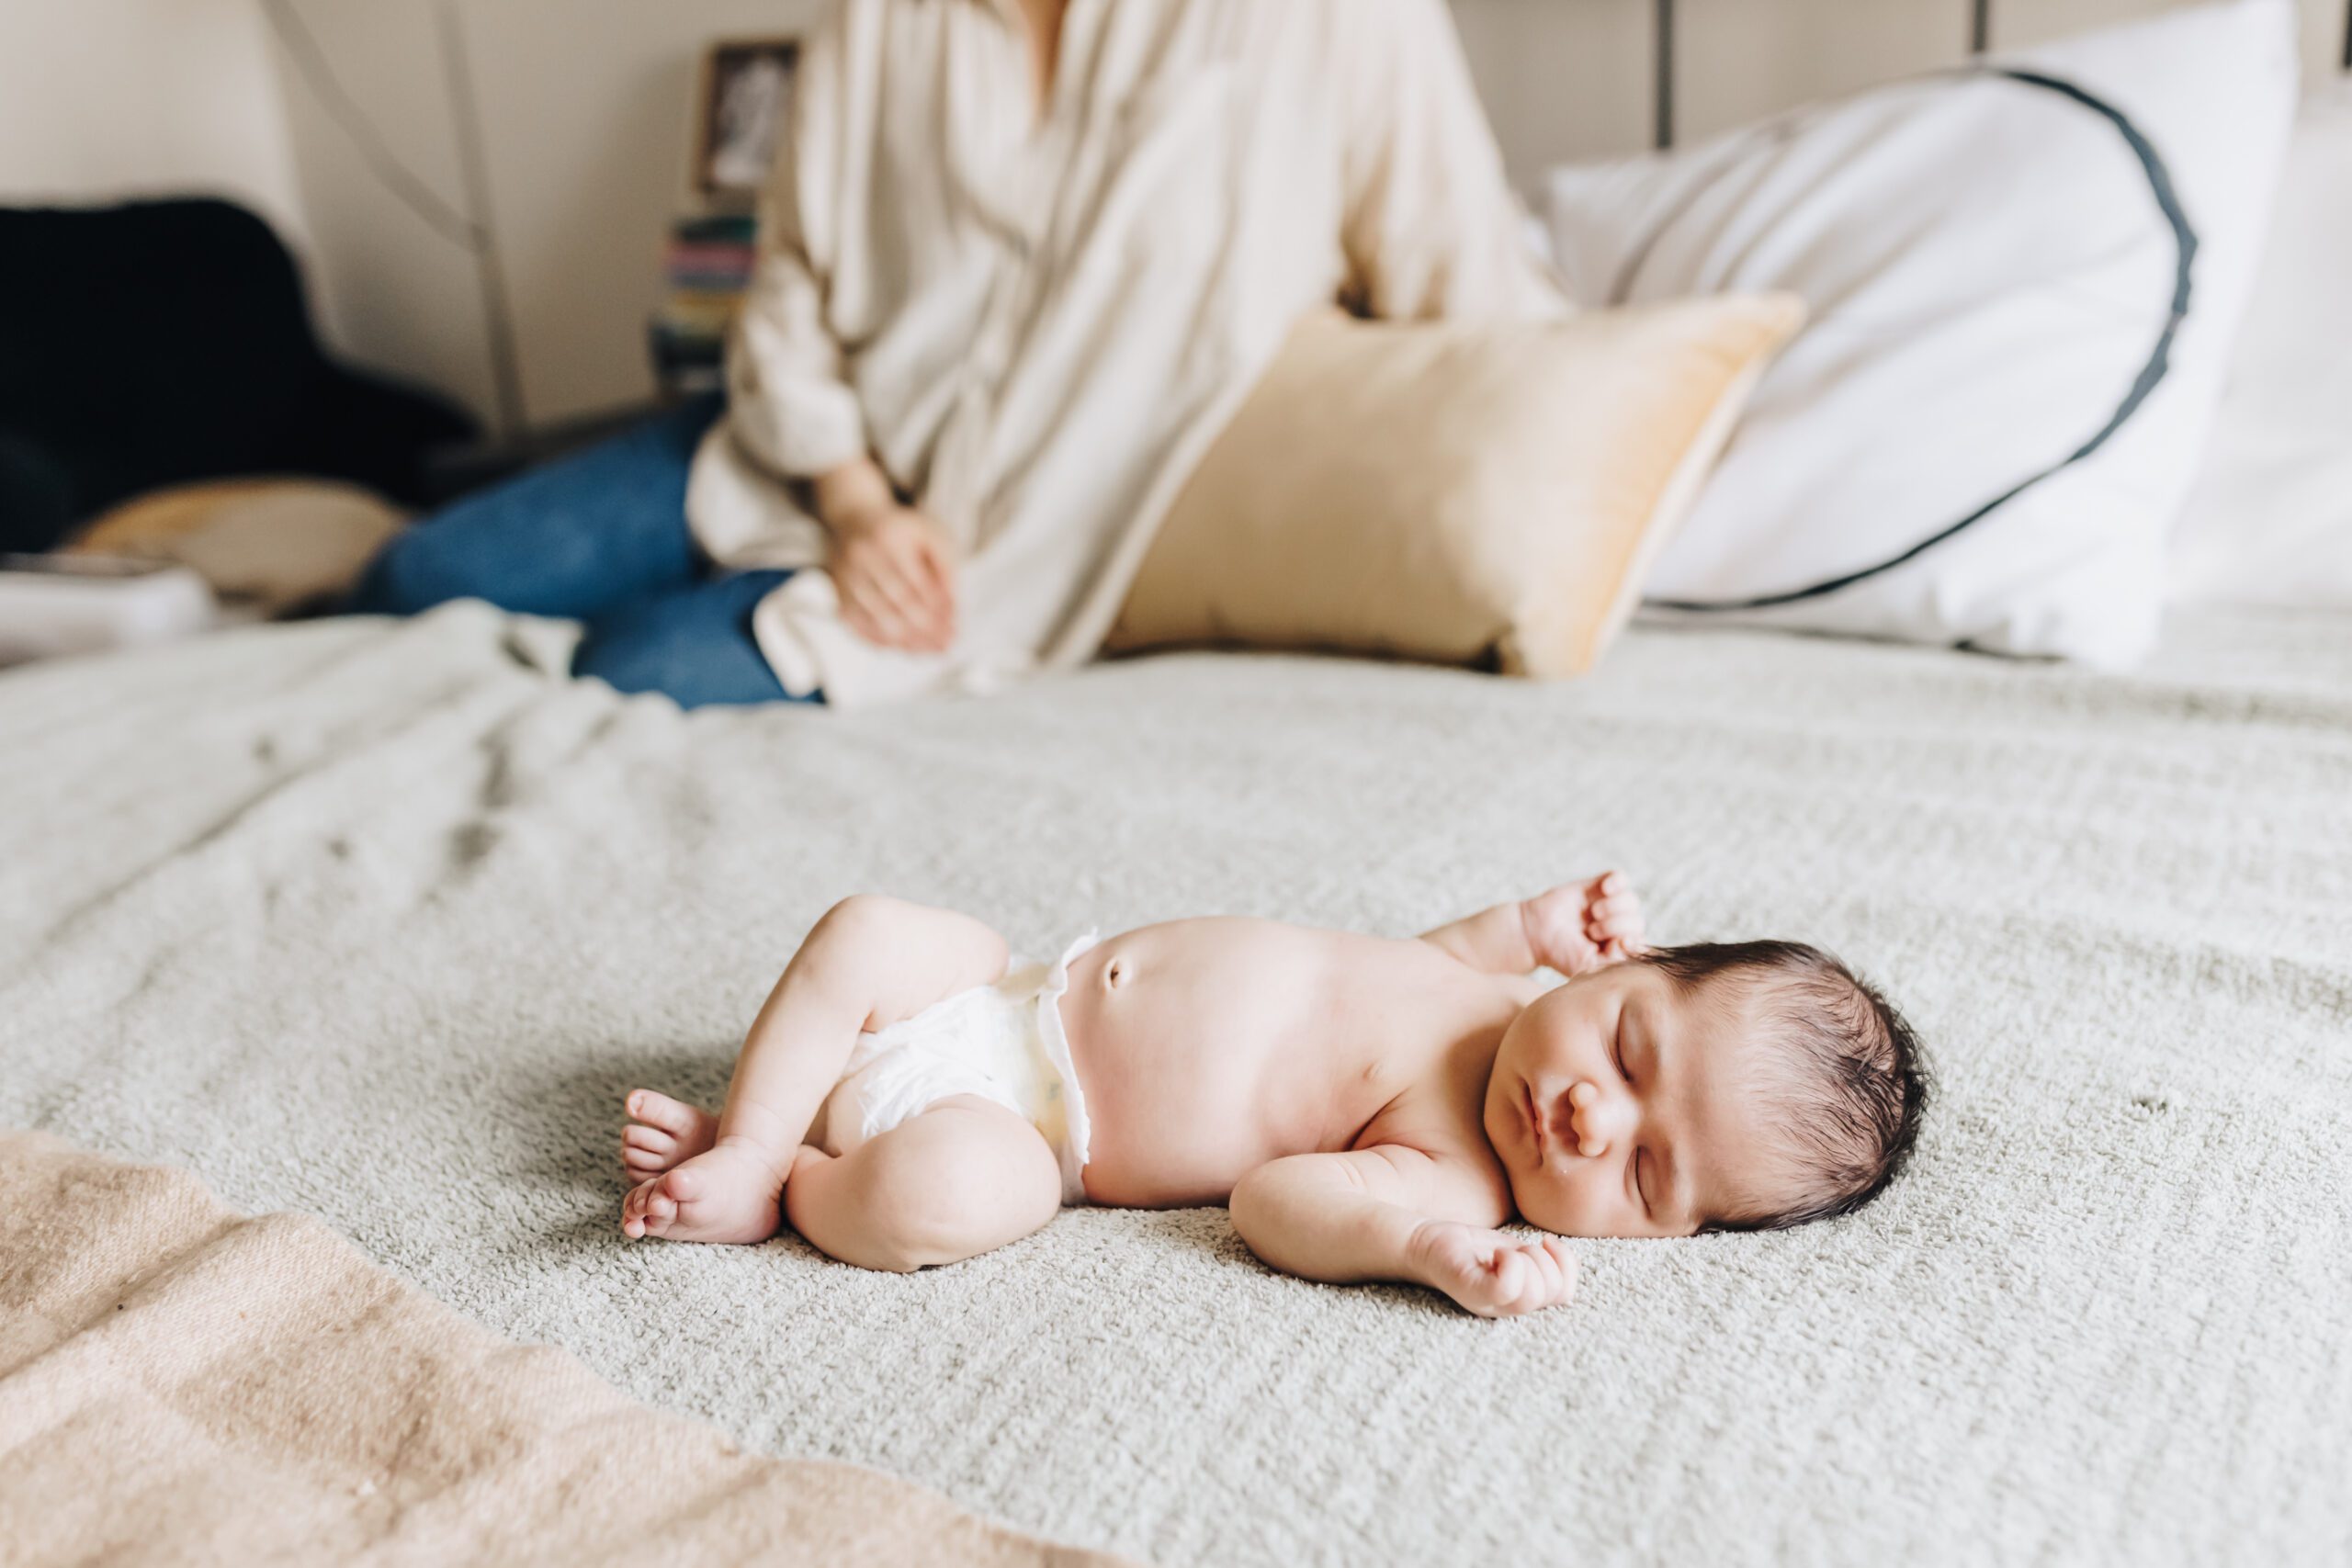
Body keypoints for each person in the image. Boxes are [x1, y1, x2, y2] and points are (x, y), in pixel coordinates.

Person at [352, 0, 1564, 708]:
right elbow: (785, 286)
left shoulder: (1332, 22)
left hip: (1002, 552)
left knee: (637, 665)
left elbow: (1465, 288)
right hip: (792, 451)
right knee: (416, 574)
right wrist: (854, 500)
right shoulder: (885, 16)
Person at [616, 875, 1930, 1317]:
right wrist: (1532, 916)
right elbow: (1432, 954)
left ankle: (775, 1178)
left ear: (1668, 1236)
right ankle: (754, 1125)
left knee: (947, 1197)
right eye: (1632, 1052)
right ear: (1627, 966)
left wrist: (1418, 1250)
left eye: (1643, 1174)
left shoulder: (1451, 1171)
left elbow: (1273, 1202)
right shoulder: (1498, 987)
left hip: (1028, 1130)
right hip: (1005, 992)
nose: (1594, 1115)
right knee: (867, 929)